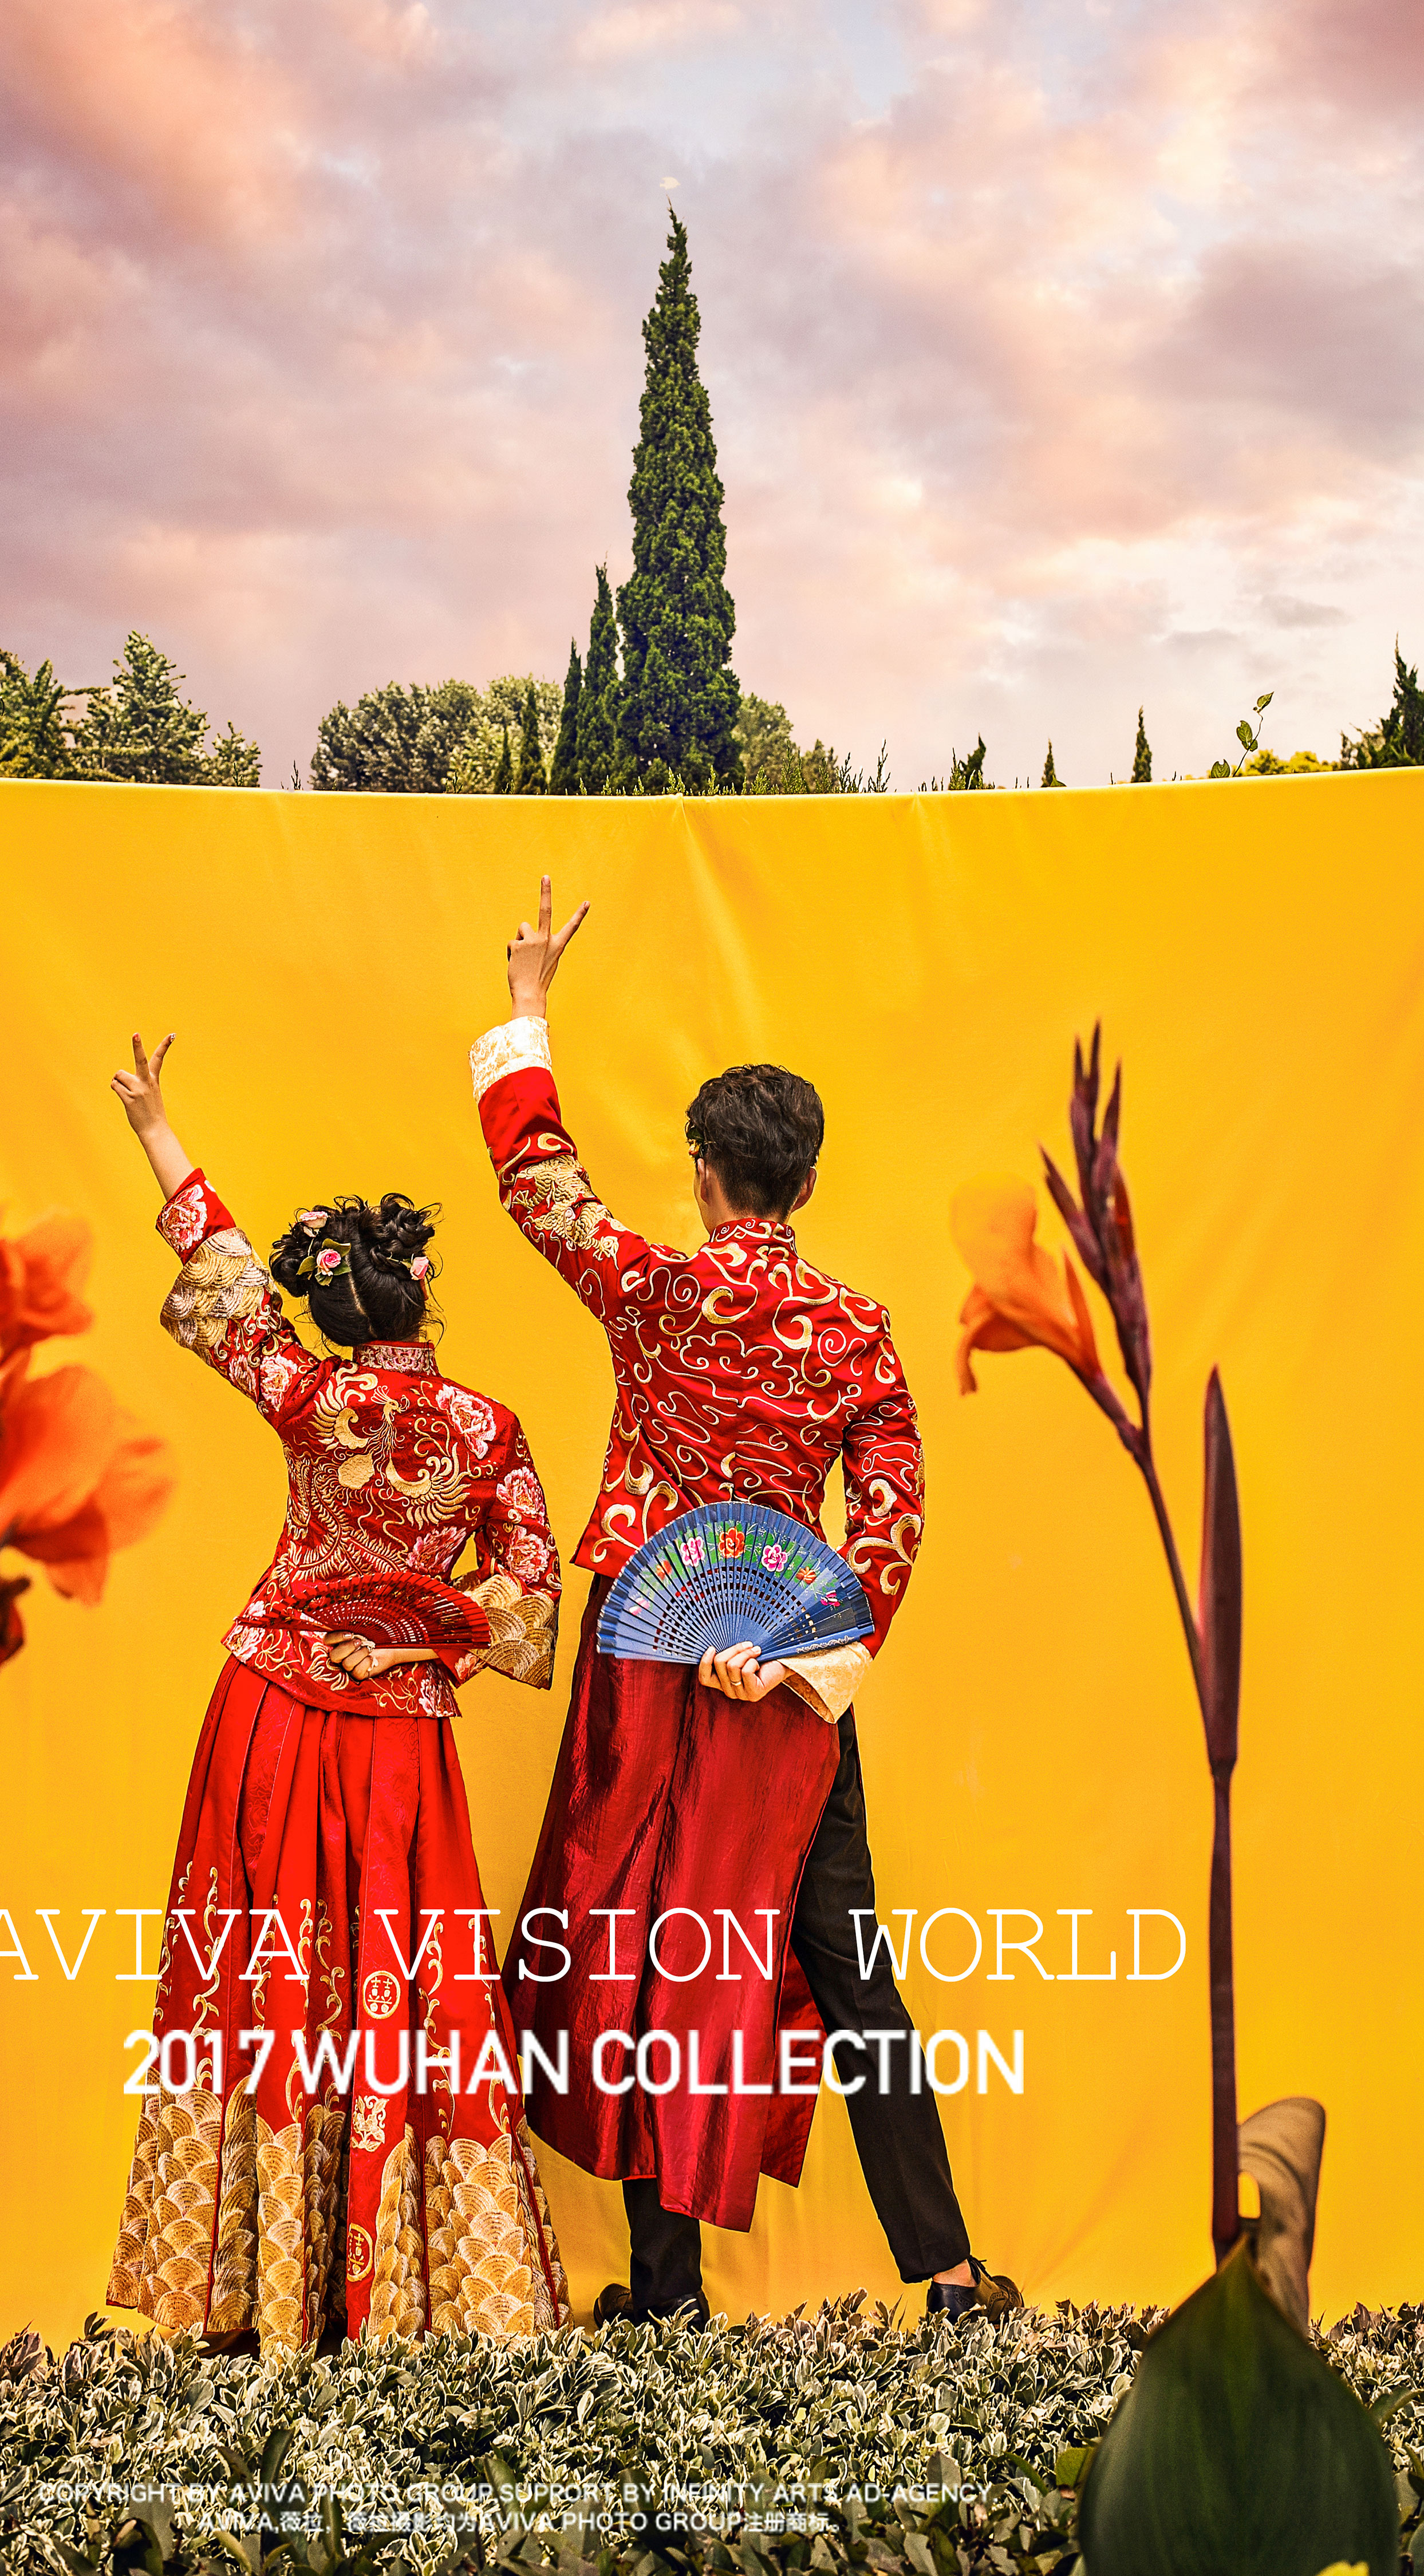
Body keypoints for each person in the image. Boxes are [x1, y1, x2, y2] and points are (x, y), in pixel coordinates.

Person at [472, 883, 1019, 2327]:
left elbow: (537, 1178)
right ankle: (950, 2273)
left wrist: (528, 1003)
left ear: (706, 1173)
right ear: (806, 1185)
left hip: (645, 1662)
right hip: (788, 1677)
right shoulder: (855, 1330)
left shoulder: (652, 1293)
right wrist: (801, 1650)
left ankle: (666, 2293)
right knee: (845, 1957)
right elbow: (891, 1517)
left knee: (655, 1946)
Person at [104, 1030, 571, 2356]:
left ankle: (256, 2286)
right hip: (395, 1739)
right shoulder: (488, 1430)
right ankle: (421, 2291)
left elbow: (227, 1282)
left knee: (264, 1977)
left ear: (338, 1308)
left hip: (266, 1712)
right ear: (420, 1299)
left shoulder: (308, 1397)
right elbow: (531, 1589)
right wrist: (431, 1650)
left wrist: (157, 1128)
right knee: (406, 1986)